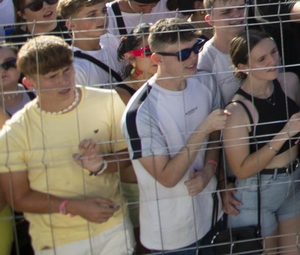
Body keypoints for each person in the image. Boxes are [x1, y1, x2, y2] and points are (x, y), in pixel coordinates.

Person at [0, 35, 132, 255]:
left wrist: (102, 165)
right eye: (52, 77)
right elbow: (19, 198)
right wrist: (74, 207)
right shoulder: (14, 132)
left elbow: (130, 154)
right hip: (57, 242)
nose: (63, 81)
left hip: (114, 228)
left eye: (67, 71)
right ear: (29, 82)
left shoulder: (108, 100)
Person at [121, 17, 229, 255]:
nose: (193, 57)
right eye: (182, 54)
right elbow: (167, 177)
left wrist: (210, 170)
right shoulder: (140, 113)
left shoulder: (205, 80)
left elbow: (216, 134)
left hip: (212, 215)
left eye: (196, 47)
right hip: (172, 235)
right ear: (157, 59)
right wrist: (201, 130)